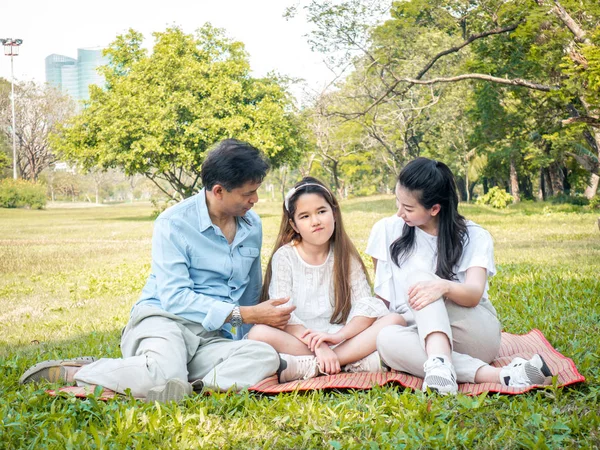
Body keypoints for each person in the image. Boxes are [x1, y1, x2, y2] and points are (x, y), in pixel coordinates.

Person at [20, 139, 295, 402]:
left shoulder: (251, 225)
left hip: (210, 337)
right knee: (162, 374)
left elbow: (248, 290)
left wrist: (243, 339)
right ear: (219, 190)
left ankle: (183, 385)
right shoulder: (173, 223)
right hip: (164, 321)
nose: (255, 199)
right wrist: (244, 314)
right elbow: (175, 297)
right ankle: (79, 372)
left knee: (263, 355)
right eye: (248, 193)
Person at [368, 157, 552, 395]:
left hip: (471, 332)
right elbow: (383, 301)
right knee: (385, 339)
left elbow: (474, 294)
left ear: (435, 208)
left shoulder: (474, 236)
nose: (399, 212)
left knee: (420, 281)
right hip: (416, 334)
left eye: (408, 208)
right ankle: (503, 375)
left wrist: (443, 287)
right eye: (397, 202)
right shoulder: (386, 230)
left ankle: (440, 363)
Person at [248, 177, 405, 382]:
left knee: (396, 320)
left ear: (334, 213)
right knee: (258, 333)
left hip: (340, 337)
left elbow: (365, 305)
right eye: (305, 216)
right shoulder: (285, 257)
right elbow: (281, 313)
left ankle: (313, 365)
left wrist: (337, 338)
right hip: (299, 338)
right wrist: (319, 346)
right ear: (294, 225)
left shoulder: (345, 256)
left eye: (322, 211)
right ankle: (353, 363)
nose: (316, 221)